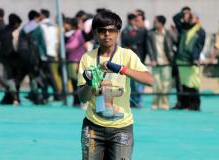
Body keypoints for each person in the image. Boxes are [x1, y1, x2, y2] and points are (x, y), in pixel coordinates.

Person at [77, 10, 153, 160]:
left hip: (122, 128)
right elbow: (82, 98)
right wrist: (89, 84)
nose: (107, 34)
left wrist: (121, 69)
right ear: (95, 33)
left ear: (118, 32)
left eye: (111, 30)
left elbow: (149, 80)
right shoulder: (87, 58)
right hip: (92, 128)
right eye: (102, 30)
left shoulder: (127, 55)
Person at [175, 12, 206, 111]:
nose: (190, 18)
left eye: (192, 17)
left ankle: (195, 105)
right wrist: (184, 13)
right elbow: (175, 19)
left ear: (197, 19)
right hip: (182, 60)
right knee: (185, 84)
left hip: (191, 61)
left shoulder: (200, 31)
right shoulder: (184, 28)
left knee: (193, 84)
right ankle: (187, 105)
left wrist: (195, 58)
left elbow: (198, 47)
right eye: (190, 17)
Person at [0, 13, 22, 105]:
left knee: (3, 77)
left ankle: (8, 97)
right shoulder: (16, 32)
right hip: (13, 58)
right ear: (16, 24)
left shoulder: (1, 31)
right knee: (12, 79)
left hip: (2, 58)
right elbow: (17, 46)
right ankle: (15, 98)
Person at [147, 15, 174, 110]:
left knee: (166, 84)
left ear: (161, 23)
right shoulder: (150, 33)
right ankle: (155, 103)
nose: (154, 23)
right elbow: (149, 48)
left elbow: (176, 40)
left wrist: (174, 30)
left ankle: (165, 103)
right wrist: (152, 59)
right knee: (156, 83)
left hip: (166, 63)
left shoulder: (168, 33)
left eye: (156, 22)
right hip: (156, 63)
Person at [40, 9, 62, 101]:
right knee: (52, 75)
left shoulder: (41, 26)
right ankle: (57, 94)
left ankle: (53, 94)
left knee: (46, 75)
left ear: (43, 15)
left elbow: (42, 41)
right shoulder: (54, 26)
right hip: (53, 53)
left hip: (45, 53)